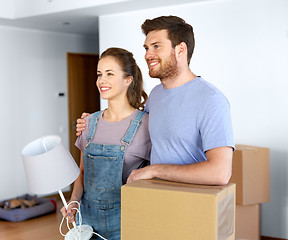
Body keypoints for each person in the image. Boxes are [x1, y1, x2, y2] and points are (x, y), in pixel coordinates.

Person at [76, 15, 234, 186]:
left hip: (191, 203)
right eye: (146, 48)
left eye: (156, 46)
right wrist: (94, 122)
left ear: (180, 50)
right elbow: (133, 127)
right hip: (155, 199)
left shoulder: (211, 99)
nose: (148, 55)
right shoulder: (156, 94)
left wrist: (155, 170)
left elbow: (220, 173)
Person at [61, 47, 151, 239]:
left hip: (126, 223)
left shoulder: (146, 125)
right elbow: (82, 173)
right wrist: (73, 202)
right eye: (99, 74)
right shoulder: (88, 123)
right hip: (87, 224)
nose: (102, 80)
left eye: (110, 74)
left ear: (128, 79)